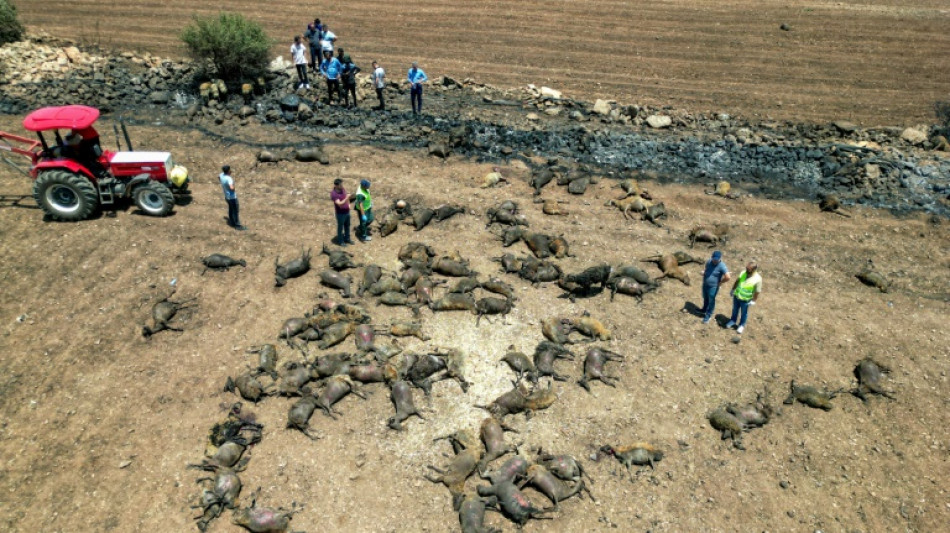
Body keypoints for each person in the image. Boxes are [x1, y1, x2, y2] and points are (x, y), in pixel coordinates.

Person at [725, 262, 762, 334]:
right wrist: (733, 289)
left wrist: (754, 300)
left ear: (754, 270)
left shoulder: (758, 278)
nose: (746, 270)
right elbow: (737, 281)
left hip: (746, 300)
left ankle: (741, 325)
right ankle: (733, 321)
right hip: (737, 296)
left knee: (744, 313)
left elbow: (757, 291)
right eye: (746, 268)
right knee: (735, 309)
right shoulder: (743, 272)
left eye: (748, 269)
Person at [700, 250, 731, 324]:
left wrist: (720, 283)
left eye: (717, 260)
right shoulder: (709, 261)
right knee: (705, 297)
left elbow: (728, 277)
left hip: (713, 287)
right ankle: (704, 309)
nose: (715, 261)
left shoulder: (722, 266)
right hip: (705, 284)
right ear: (712, 257)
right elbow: (706, 269)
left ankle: (708, 315)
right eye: (714, 259)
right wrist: (704, 273)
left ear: (720, 259)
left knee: (711, 300)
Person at [219, 165, 246, 230]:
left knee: (231, 209)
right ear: (228, 171)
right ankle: (238, 225)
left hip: (226, 197)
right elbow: (231, 187)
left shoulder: (221, 175)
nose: (230, 171)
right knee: (235, 211)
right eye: (230, 170)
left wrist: (223, 184)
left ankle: (232, 222)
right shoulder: (229, 179)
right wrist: (233, 188)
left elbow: (218, 177)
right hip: (232, 197)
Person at [330, 178, 352, 246]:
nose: (342, 185)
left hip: (347, 212)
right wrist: (346, 198)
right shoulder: (334, 194)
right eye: (340, 184)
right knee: (340, 227)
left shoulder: (342, 189)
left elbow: (346, 196)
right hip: (340, 214)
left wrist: (349, 204)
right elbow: (339, 203)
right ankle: (340, 241)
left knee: (347, 226)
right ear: (336, 185)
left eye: (342, 184)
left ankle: (347, 238)